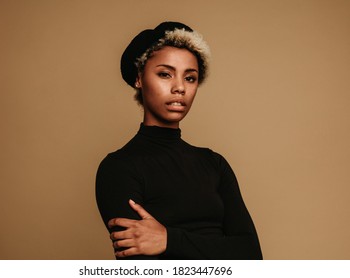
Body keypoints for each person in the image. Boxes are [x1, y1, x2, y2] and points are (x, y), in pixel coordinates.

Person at [96, 21, 263, 260]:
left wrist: (169, 239)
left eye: (190, 78)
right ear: (139, 78)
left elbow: (251, 255)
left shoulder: (214, 164)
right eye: (165, 74)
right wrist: (220, 249)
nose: (180, 88)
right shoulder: (119, 167)